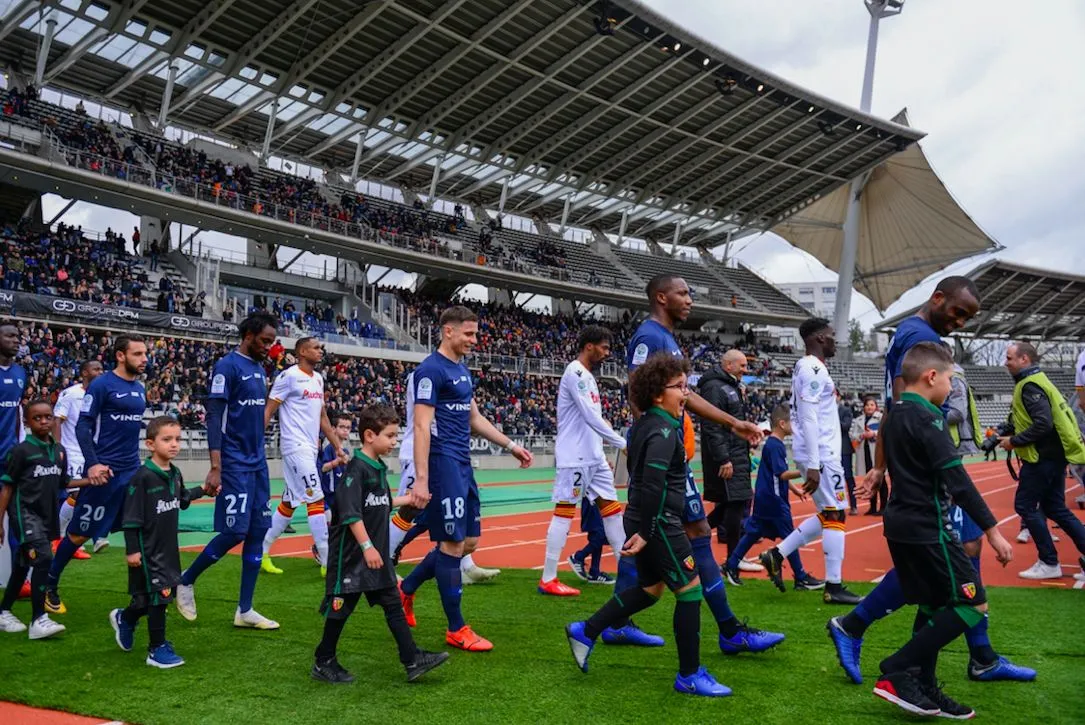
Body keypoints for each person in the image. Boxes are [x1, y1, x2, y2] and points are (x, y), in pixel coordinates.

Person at [830, 276, 1033, 684]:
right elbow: (901, 404)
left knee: (941, 561)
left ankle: (970, 656)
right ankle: (879, 638)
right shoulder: (917, 339)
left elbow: (896, 406)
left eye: (967, 317)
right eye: (957, 312)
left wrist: (883, 465)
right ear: (937, 298)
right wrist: (885, 464)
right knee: (943, 558)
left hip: (929, 461)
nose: (959, 322)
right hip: (933, 465)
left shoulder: (915, 334)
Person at [613, 275, 782, 654]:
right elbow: (637, 393)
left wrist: (732, 422)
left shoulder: (668, 340)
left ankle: (615, 622)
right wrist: (655, 445)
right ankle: (729, 630)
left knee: (669, 533)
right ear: (661, 297)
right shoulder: (649, 337)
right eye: (683, 293)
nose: (690, 299)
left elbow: (684, 397)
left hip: (670, 451)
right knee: (696, 531)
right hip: (663, 454)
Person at [565, 355, 730, 697]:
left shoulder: (643, 425)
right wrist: (648, 530)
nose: (686, 394)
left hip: (643, 518)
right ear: (658, 394)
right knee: (690, 591)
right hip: (659, 522)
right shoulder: (665, 429)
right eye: (679, 387)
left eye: (686, 386)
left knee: (650, 590)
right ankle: (689, 674)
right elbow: (653, 482)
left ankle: (586, 629)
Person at [871, 342, 1014, 719]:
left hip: (900, 523)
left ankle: (923, 683)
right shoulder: (927, 417)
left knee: (934, 604)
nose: (952, 388)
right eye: (950, 379)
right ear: (931, 376)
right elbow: (958, 480)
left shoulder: (896, 412)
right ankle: (897, 668)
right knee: (973, 602)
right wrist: (994, 531)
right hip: (926, 526)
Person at [398, 306, 533, 652]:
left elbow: (474, 417)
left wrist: (510, 445)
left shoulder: (460, 369)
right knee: (452, 545)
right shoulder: (430, 371)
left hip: (462, 464)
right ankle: (456, 628)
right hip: (442, 463)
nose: (475, 340)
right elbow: (421, 426)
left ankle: (407, 589)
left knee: (469, 542)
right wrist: (423, 480)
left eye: (475, 333)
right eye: (469, 334)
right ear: (448, 331)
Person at [312, 404, 449, 684]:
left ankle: (411, 659)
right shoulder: (356, 469)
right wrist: (367, 547)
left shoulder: (377, 468)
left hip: (374, 556)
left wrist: (408, 500)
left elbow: (380, 503)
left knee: (392, 603)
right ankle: (323, 660)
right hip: (351, 557)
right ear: (370, 435)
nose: (394, 442)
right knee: (341, 608)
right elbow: (351, 514)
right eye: (390, 436)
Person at [176, 313, 279, 630]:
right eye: (265, 341)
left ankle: (245, 610)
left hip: (257, 462)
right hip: (233, 463)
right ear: (248, 335)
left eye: (272, 342)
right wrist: (216, 466)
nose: (269, 347)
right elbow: (214, 419)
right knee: (236, 531)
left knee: (258, 531)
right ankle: (185, 581)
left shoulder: (260, 369)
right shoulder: (227, 367)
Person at [760, 318, 861, 605]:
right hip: (822, 454)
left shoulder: (810, 367)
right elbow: (808, 415)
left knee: (828, 513)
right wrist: (815, 462)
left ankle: (776, 554)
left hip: (818, 452)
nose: (834, 340)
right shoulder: (813, 367)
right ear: (817, 338)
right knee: (836, 513)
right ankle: (834, 585)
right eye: (830, 335)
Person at [47, 335, 148, 614]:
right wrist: (92, 464)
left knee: (137, 530)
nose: (144, 359)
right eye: (137, 354)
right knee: (79, 534)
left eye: (145, 353)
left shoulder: (139, 389)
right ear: (120, 355)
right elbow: (83, 427)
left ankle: (140, 597)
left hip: (131, 471)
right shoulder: (102, 385)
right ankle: (49, 585)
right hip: (104, 473)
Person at [111, 417, 213, 668]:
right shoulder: (142, 478)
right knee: (161, 595)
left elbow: (183, 498)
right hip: (147, 550)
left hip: (168, 548)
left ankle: (126, 618)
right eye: (167, 439)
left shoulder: (175, 473)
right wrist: (132, 549)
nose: (174, 444)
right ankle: (156, 648)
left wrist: (204, 489)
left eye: (177, 439)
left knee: (147, 600)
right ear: (150, 443)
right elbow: (131, 518)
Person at [539, 325, 627, 597]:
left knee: (613, 511)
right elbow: (589, 416)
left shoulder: (587, 375)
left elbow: (592, 419)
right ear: (589, 346)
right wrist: (623, 443)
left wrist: (604, 448)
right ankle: (548, 577)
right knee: (564, 512)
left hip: (594, 456)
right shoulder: (575, 372)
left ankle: (628, 571)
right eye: (604, 347)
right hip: (575, 456)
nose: (606, 353)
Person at [389, 371, 498, 583]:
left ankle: (465, 565)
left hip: (445, 454)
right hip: (422, 452)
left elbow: (466, 414)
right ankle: (384, 559)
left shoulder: (452, 374)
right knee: (411, 510)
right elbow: (429, 420)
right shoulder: (430, 373)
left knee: (449, 513)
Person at [0, 400, 85, 638]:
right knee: (44, 558)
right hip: (24, 514)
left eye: (48, 417)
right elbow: (7, 487)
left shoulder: (59, 450)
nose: (44, 421)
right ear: (27, 422)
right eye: (37, 418)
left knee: (21, 564)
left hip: (46, 516)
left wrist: (91, 481)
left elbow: (63, 483)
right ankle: (38, 619)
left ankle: (3, 611)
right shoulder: (20, 451)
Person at [1001, 342, 1085, 579]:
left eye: (1009, 358)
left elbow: (1043, 424)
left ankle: (1048, 562)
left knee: (1025, 506)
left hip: (1043, 457)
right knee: (1055, 508)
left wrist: (1014, 441)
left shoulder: (1030, 386)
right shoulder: (1038, 381)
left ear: (1024, 359)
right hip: (1054, 456)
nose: (1005, 362)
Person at [260, 338, 344, 576]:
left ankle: (262, 552)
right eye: (316, 347)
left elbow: (323, 417)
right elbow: (269, 410)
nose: (321, 351)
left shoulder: (318, 379)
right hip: (294, 447)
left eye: (321, 347)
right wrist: (257, 441)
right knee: (316, 498)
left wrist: (337, 446)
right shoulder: (288, 376)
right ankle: (328, 562)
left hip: (310, 447)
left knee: (289, 502)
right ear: (302, 351)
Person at [723, 403, 823, 590]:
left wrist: (794, 490)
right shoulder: (776, 446)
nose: (796, 425)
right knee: (791, 536)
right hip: (774, 501)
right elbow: (782, 474)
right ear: (782, 423)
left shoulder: (772, 444)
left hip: (765, 497)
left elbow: (776, 473)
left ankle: (731, 564)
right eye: (793, 421)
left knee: (754, 532)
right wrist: (807, 471)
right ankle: (800, 576)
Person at [698, 349, 757, 574]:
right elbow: (712, 426)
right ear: (728, 365)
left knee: (731, 506)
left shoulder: (730, 386)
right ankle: (733, 561)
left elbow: (734, 423)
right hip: (728, 457)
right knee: (733, 505)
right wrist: (724, 458)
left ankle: (689, 542)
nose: (745, 370)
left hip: (737, 454)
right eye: (741, 366)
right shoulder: (714, 387)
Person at [54, 360, 104, 559]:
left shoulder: (100, 393)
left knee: (91, 494)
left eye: (101, 368)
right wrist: (57, 448)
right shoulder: (71, 394)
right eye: (96, 369)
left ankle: (76, 539)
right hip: (72, 452)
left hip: (91, 452)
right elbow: (58, 419)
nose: (100, 372)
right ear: (84, 372)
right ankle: (58, 538)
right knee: (76, 494)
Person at [567, 497, 613, 584]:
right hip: (592, 497)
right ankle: (578, 557)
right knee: (600, 533)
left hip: (601, 495)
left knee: (597, 534)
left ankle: (594, 572)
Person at [850, 396, 882, 515]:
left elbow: (885, 431)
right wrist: (862, 435)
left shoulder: (881, 418)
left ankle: (883, 506)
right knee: (869, 480)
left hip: (877, 452)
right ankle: (872, 506)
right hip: (864, 452)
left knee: (880, 479)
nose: (869, 407)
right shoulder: (859, 420)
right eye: (867, 405)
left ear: (876, 406)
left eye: (872, 405)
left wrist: (873, 433)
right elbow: (853, 435)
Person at [318, 413, 353, 520]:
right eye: (341, 427)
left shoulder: (347, 450)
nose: (345, 430)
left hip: (340, 492)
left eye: (348, 428)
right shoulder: (329, 448)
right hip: (328, 493)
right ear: (333, 429)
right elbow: (323, 468)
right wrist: (336, 462)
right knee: (329, 518)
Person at [838, 391, 859, 516]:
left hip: (844, 449)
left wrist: (832, 419)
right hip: (830, 450)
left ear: (838, 396)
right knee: (833, 479)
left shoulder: (845, 410)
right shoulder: (822, 411)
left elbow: (846, 426)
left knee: (848, 477)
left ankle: (854, 505)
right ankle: (838, 506)